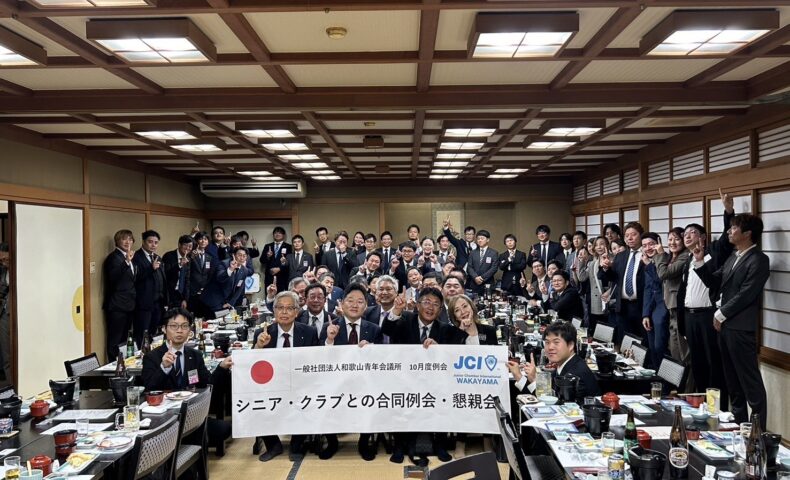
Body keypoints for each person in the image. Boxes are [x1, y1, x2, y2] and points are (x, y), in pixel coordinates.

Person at [692, 213, 770, 429]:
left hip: (740, 328)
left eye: (734, 228)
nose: (729, 231)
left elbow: (747, 293)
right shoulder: (734, 256)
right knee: (732, 381)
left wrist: (721, 313)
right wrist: (699, 261)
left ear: (748, 234)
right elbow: (715, 281)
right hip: (725, 327)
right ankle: (738, 424)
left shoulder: (759, 259)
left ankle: (758, 431)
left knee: (750, 382)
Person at [383, 287, 466, 465]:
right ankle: (399, 445)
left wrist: (439, 349)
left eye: (436, 304)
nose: (430, 307)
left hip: (434, 383)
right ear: (418, 305)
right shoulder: (405, 320)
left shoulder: (444, 329)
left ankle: (440, 445)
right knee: (399, 400)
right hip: (404, 380)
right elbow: (387, 329)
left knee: (443, 398)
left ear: (441, 310)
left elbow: (455, 352)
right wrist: (396, 310)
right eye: (427, 302)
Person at [677, 189, 735, 410]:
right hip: (690, 318)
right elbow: (683, 293)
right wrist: (682, 323)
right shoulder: (687, 260)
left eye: (692, 232)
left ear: (702, 237)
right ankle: (701, 407)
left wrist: (728, 212)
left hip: (708, 317)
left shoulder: (714, 252)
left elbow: (726, 240)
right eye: (685, 234)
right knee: (698, 364)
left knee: (714, 364)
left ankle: (717, 410)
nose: (687, 236)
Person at [251, 291, 320, 462]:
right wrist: (259, 346)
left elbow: (316, 362)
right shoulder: (263, 332)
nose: (284, 312)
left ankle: (297, 445)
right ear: (274, 311)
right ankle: (273, 445)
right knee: (253, 399)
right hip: (270, 384)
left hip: (300, 383)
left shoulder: (309, 332)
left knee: (306, 397)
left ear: (297, 312)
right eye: (280, 308)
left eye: (289, 308)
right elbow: (252, 364)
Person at [321, 284, 384, 460]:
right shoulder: (329, 326)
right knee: (324, 396)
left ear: (366, 306)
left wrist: (372, 350)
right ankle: (332, 442)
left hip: (365, 382)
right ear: (342, 303)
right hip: (335, 381)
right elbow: (319, 361)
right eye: (350, 300)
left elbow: (381, 361)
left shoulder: (374, 329)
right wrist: (329, 340)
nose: (355, 305)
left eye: (360, 301)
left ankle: (364, 442)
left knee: (372, 397)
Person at [141, 307, 232, 391]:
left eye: (184, 326)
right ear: (164, 329)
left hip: (191, 402)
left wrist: (222, 367)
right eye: (174, 326)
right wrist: (164, 367)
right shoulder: (151, 357)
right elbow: (149, 387)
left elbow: (207, 382)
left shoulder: (195, 355)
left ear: (189, 330)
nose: (179, 330)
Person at [508, 322, 600, 400]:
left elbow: (557, 407)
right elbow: (536, 398)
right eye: (547, 342)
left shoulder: (576, 374)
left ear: (570, 345)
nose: (550, 347)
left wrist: (535, 380)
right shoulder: (563, 365)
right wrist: (518, 376)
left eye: (556, 342)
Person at [655, 227, 692, 386]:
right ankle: (676, 387)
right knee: (674, 349)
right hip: (670, 307)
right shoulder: (671, 257)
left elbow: (664, 274)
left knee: (682, 351)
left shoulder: (685, 257)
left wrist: (660, 254)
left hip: (680, 309)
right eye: (670, 239)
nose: (672, 242)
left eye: (676, 239)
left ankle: (685, 388)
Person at [599, 222, 646, 343]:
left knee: (642, 342)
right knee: (624, 341)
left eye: (633, 234)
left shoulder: (647, 254)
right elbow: (613, 278)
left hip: (641, 304)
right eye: (627, 235)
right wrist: (606, 268)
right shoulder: (620, 256)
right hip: (623, 306)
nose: (630, 238)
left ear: (641, 235)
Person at [103, 229, 137, 360]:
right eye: (124, 239)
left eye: (130, 239)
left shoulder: (129, 257)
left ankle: (123, 363)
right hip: (117, 305)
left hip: (129, 304)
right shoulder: (114, 258)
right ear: (117, 241)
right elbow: (114, 277)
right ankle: (114, 365)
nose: (128, 242)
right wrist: (126, 262)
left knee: (124, 339)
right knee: (115, 340)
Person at [132, 230, 168, 348]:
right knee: (142, 334)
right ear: (143, 242)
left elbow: (163, 279)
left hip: (158, 302)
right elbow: (135, 278)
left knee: (154, 333)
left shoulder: (157, 257)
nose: (153, 245)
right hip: (143, 303)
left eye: (156, 242)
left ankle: (153, 355)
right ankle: (142, 355)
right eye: (150, 242)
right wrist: (150, 268)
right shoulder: (136, 257)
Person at [641, 232, 669, 369]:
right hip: (651, 309)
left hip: (664, 307)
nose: (648, 248)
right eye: (644, 246)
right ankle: (657, 376)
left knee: (660, 347)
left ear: (659, 243)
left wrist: (648, 265)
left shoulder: (666, 259)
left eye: (651, 244)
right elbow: (647, 289)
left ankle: (666, 378)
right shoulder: (648, 262)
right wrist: (645, 314)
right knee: (652, 347)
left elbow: (660, 280)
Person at [201, 246, 251, 314]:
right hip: (212, 299)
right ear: (233, 255)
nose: (242, 258)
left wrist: (231, 302)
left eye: (244, 256)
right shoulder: (223, 264)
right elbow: (220, 278)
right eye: (239, 255)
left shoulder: (244, 270)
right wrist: (230, 269)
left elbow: (239, 289)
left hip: (226, 301)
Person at [577, 236, 612, 333]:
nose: (599, 247)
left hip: (610, 299)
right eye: (596, 245)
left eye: (602, 244)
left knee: (608, 329)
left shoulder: (614, 260)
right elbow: (582, 277)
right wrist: (581, 261)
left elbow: (617, 280)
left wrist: (609, 292)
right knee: (595, 328)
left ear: (607, 245)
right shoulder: (593, 263)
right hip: (596, 300)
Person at [183, 231, 214, 319]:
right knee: (191, 317)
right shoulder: (190, 254)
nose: (203, 241)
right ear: (196, 241)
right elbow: (186, 271)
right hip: (192, 291)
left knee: (202, 317)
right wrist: (191, 256)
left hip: (204, 292)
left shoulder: (209, 257)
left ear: (208, 242)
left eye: (205, 239)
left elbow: (208, 274)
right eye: (200, 239)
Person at [162, 234, 193, 309]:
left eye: (190, 246)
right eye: (185, 245)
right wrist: (179, 265)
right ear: (179, 244)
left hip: (180, 295)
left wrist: (185, 299)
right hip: (169, 294)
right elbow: (165, 274)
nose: (187, 248)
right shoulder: (169, 256)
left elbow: (187, 280)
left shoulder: (188, 259)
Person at [466, 230, 498, 295]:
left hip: (488, 284)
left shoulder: (494, 253)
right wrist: (475, 277)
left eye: (482, 238)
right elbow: (469, 267)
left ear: (488, 240)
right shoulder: (472, 253)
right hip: (474, 284)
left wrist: (482, 278)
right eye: (478, 239)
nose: (480, 240)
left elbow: (494, 268)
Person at [262, 226, 291, 294]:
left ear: (283, 235)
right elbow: (262, 261)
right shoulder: (268, 246)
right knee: (269, 297)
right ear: (273, 235)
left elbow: (290, 262)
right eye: (275, 233)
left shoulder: (288, 246)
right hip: (269, 277)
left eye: (280, 233)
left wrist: (279, 269)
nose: (277, 234)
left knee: (282, 297)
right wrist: (268, 256)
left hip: (282, 277)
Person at [0, 243, 11, 384]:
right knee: (7, 355)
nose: (3, 263)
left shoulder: (21, 268)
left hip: (17, 315)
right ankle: (11, 387)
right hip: (4, 314)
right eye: (1, 260)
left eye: (5, 259)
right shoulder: (3, 271)